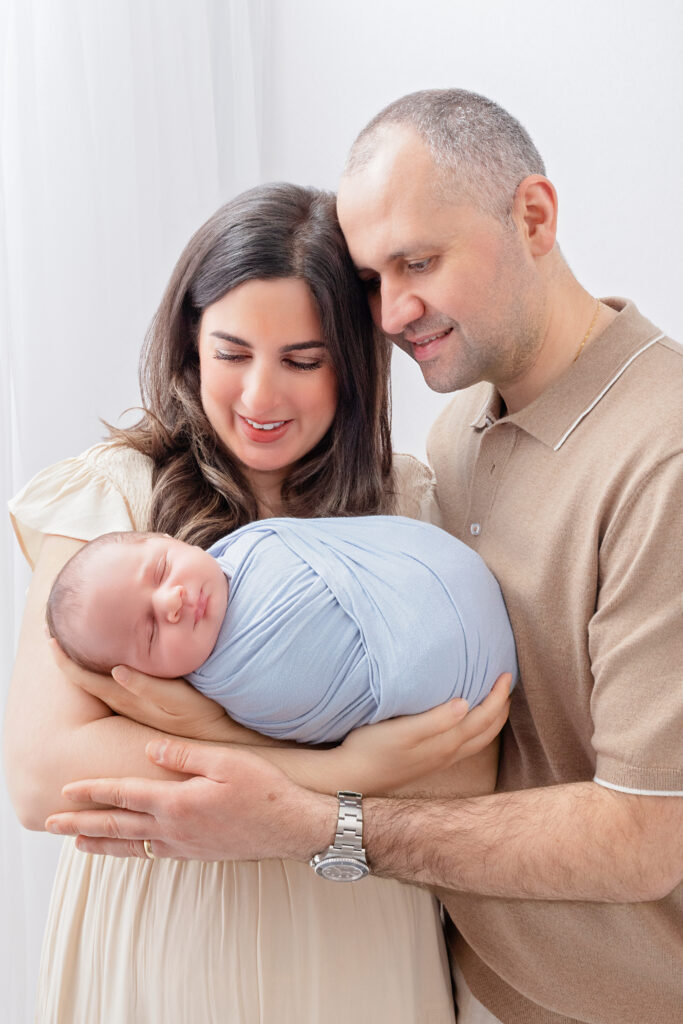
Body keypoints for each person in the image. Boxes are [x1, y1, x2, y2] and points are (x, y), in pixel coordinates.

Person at [43, 92, 683, 1024]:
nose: (392, 311)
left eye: (418, 262)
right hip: (464, 981)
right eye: (374, 278)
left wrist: (300, 807)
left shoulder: (659, 455)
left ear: (534, 217)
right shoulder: (461, 429)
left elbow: (641, 833)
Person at [5, 181, 510, 1024]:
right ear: (190, 345)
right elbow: (41, 774)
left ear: (353, 362)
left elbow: (463, 771)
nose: (260, 398)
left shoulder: (409, 509)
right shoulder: (115, 500)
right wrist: (341, 774)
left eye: (302, 361)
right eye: (232, 354)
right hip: (166, 937)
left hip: (356, 935)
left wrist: (199, 737)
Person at [46, 518, 517, 742]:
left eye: (162, 569)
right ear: (146, 677)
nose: (172, 601)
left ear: (170, 538)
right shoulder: (227, 691)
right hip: (462, 692)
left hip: (458, 586)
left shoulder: (252, 546)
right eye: (149, 633)